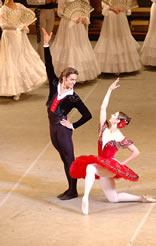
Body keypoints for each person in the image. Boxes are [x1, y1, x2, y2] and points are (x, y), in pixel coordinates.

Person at [70, 78, 156, 215]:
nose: (111, 115)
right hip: (102, 165)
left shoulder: (119, 137)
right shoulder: (103, 128)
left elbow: (136, 152)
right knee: (113, 199)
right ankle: (141, 198)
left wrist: (123, 163)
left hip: (110, 167)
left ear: (118, 121)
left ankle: (86, 198)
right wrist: (109, 90)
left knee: (90, 167)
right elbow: (103, 107)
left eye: (115, 115)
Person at [42, 27, 92, 200]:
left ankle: (73, 190)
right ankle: (70, 188)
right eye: (71, 79)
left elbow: (87, 115)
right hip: (52, 128)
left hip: (63, 130)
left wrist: (72, 125)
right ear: (63, 78)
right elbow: (49, 65)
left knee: (70, 159)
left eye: (75, 80)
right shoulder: (54, 84)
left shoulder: (73, 98)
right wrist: (46, 45)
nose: (73, 83)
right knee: (64, 159)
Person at [0, 0, 47, 100]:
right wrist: (17, 26)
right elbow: (3, 25)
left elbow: (30, 14)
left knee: (20, 59)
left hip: (19, 36)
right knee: (11, 60)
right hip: (9, 36)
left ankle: (20, 87)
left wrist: (24, 24)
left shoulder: (19, 6)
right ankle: (14, 89)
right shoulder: (3, 9)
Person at [50, 0, 101, 83]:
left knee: (80, 46)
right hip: (67, 24)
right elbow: (60, 12)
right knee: (69, 46)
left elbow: (85, 9)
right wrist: (72, 18)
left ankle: (81, 74)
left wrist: (85, 17)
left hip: (79, 24)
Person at [94, 0, 141, 74]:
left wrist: (124, 9)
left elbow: (127, 4)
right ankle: (110, 66)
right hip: (111, 15)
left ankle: (125, 65)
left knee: (122, 36)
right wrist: (113, 9)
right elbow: (104, 3)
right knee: (111, 36)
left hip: (121, 15)